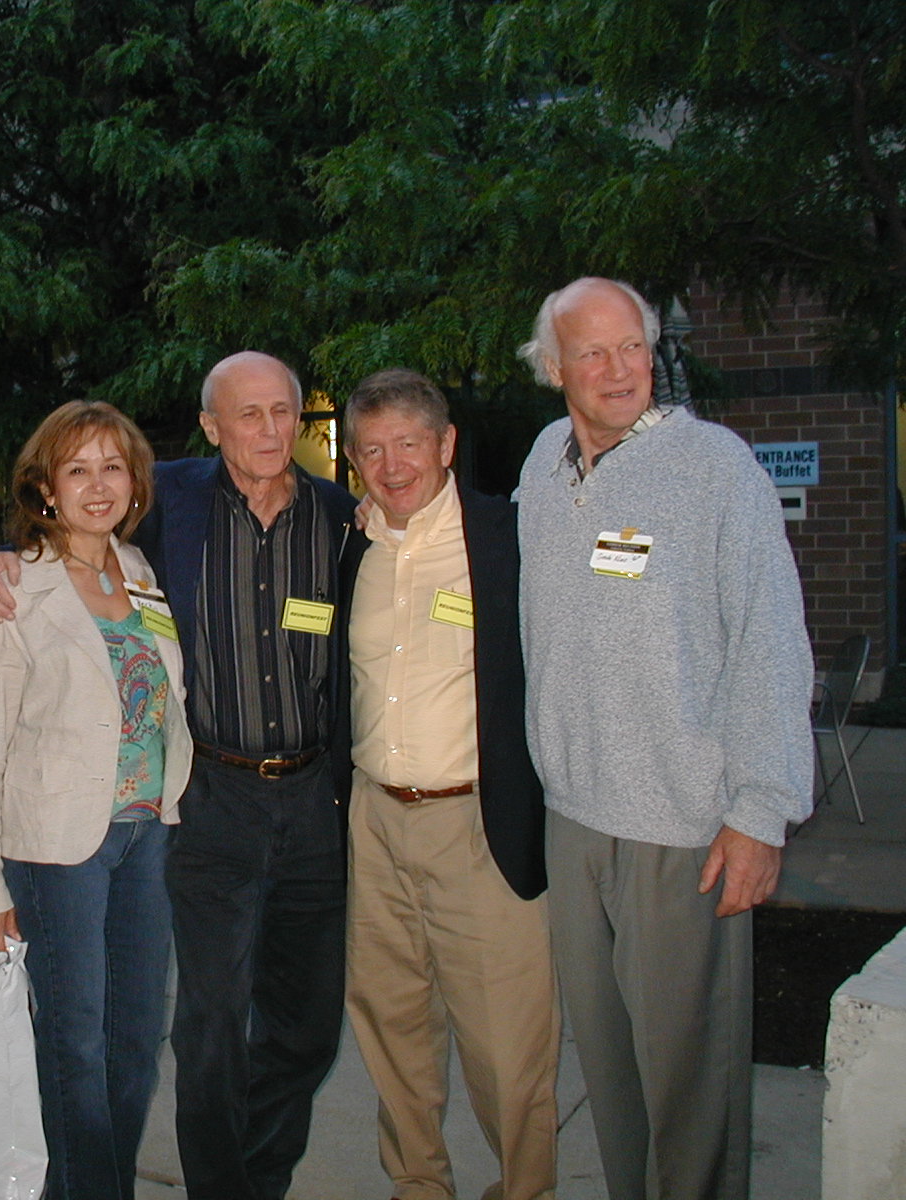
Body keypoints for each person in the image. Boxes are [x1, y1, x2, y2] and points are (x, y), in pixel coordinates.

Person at [0, 351, 358, 1200]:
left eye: (282, 411)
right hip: (198, 802)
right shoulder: (175, 507)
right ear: (212, 427)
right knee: (180, 1029)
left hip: (280, 802)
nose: (267, 429)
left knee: (292, 1030)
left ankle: (258, 1176)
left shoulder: (334, 516)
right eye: (246, 414)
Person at [515, 277, 813, 1200]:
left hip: (683, 829)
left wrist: (760, 811)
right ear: (554, 368)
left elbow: (770, 638)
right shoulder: (542, 462)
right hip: (573, 819)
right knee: (611, 1078)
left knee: (691, 1091)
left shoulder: (716, 469)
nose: (620, 370)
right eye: (593, 353)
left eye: (634, 347)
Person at [0, 401, 193, 1200]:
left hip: (145, 838)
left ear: (134, 481)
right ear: (46, 488)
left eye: (112, 467)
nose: (99, 486)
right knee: (75, 1050)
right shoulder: (14, 587)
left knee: (134, 1046)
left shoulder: (139, 571)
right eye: (78, 469)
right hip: (58, 852)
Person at [339, 369, 557, 1200]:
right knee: (392, 1028)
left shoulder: (508, 538)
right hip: (374, 822)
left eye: (408, 443)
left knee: (508, 1044)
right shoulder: (351, 545)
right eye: (371, 450)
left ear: (446, 444)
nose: (391, 466)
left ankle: (525, 1189)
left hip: (478, 825)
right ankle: (418, 1184)